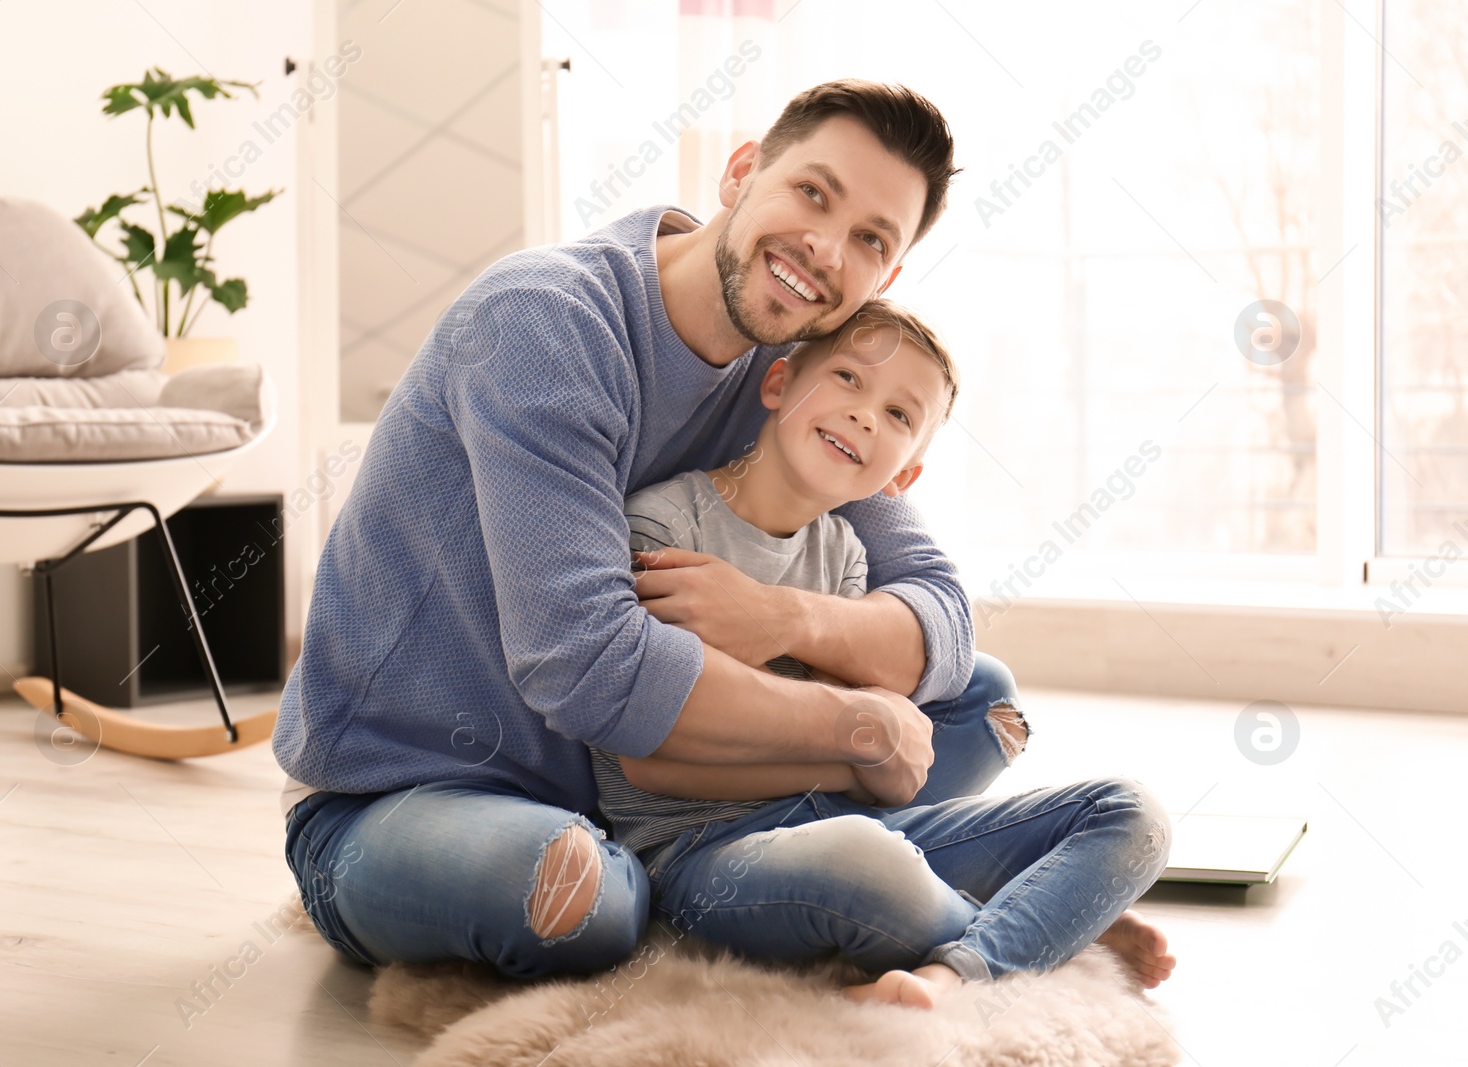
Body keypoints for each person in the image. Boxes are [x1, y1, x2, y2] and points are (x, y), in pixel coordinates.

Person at [275, 79, 1028, 981]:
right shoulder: (546, 320)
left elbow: (941, 612)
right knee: (584, 898)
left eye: (871, 239)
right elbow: (588, 668)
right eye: (812, 193)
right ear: (742, 172)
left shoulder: (799, 372)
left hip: (643, 784)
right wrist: (856, 723)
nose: (824, 249)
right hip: (414, 789)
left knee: (982, 704)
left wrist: (784, 621)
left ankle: (749, 870)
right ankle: (749, 880)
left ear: (888, 275)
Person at [592, 300, 1177, 1009]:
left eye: (900, 416)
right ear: (776, 386)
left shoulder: (845, 556)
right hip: (703, 855)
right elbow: (648, 757)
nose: (867, 414)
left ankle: (956, 973)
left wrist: (865, 759)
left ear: (903, 478)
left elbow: (881, 732)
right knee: (873, 865)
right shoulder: (663, 524)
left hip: (845, 818)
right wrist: (857, 759)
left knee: (1133, 813)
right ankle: (1045, 926)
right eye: (847, 377)